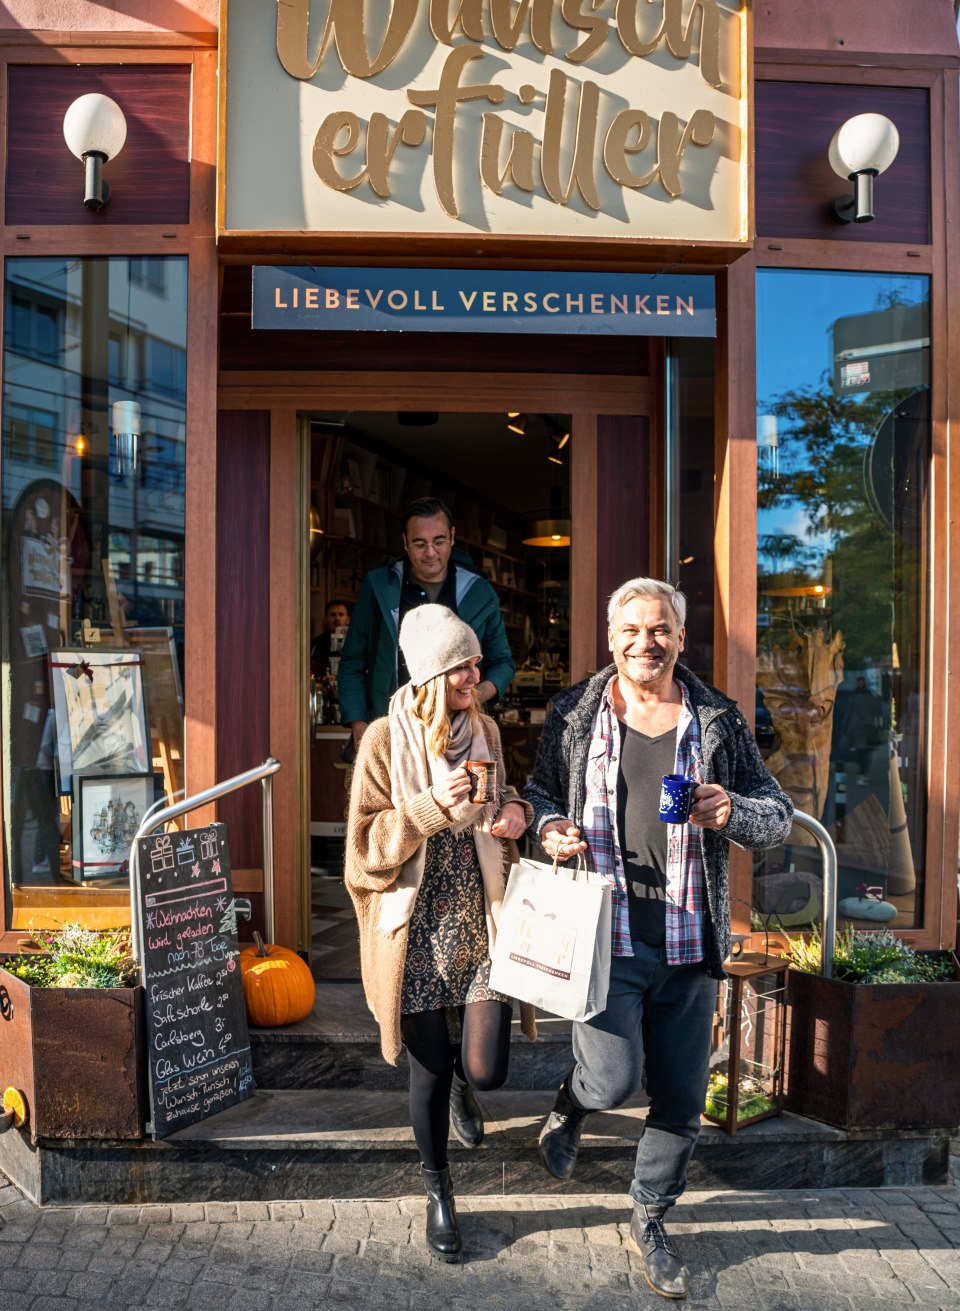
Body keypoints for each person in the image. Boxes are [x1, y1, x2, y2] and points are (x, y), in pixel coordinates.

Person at [524, 577, 793, 1300]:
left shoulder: (718, 720)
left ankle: (649, 1216)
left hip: (687, 941)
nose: (648, 641)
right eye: (633, 629)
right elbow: (539, 796)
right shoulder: (575, 714)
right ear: (610, 639)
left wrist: (731, 808)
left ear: (680, 637)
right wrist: (548, 828)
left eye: (662, 628)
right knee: (612, 1079)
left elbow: (779, 815)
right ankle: (574, 1101)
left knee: (679, 1097)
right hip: (602, 936)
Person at [344, 604, 536, 1262]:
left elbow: (506, 801)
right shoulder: (381, 742)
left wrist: (513, 811)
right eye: (466, 665)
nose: (478, 675)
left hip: (479, 921)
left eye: (477, 663)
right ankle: (439, 1192)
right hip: (416, 930)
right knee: (425, 1071)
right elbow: (364, 850)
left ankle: (464, 1082)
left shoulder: (482, 728)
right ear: (434, 672)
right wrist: (429, 808)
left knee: (487, 1066)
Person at [338, 497, 516, 754]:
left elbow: (504, 662)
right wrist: (358, 723)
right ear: (405, 543)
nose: (431, 553)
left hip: (460, 734)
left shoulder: (479, 591)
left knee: (460, 795)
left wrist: (475, 694)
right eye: (420, 544)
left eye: (439, 541)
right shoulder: (379, 586)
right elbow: (353, 660)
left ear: (453, 537)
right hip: (391, 729)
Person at [311, 599, 351, 679]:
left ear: (347, 619)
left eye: (341, 614)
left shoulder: (357, 642)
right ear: (326, 619)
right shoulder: (317, 643)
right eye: (333, 615)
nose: (337, 618)